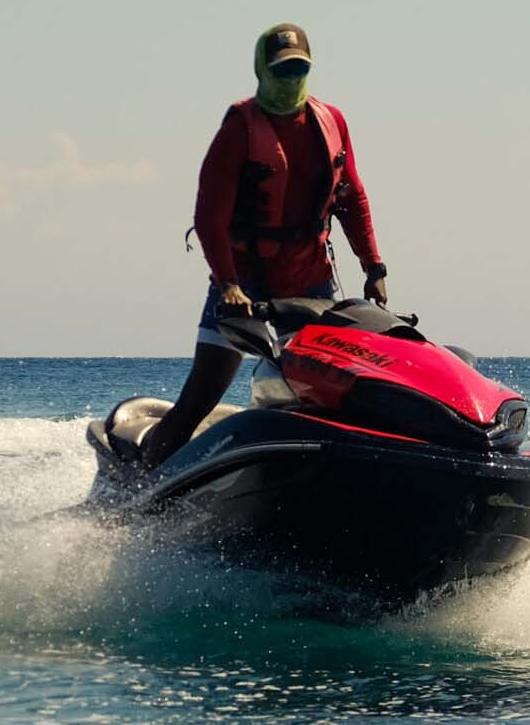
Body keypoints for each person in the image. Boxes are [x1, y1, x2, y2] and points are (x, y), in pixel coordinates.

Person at [141, 23, 387, 469]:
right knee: (201, 394)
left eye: (299, 68)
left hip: (309, 280)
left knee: (326, 396)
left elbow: (353, 197)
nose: (290, 78)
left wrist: (374, 266)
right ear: (262, 69)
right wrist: (229, 283)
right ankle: (134, 491)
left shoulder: (331, 122)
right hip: (244, 282)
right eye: (282, 69)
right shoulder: (240, 126)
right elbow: (209, 215)